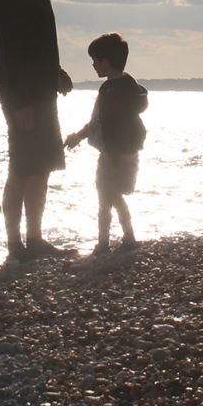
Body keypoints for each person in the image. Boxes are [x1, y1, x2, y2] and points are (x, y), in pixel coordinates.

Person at [0, 0, 75, 262]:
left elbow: (37, 45)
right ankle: (14, 245)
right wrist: (21, 102)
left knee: (42, 168)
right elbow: (12, 53)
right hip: (21, 98)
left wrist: (56, 73)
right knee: (22, 169)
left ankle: (35, 239)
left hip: (42, 95)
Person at [65, 33, 148, 256]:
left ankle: (116, 240)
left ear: (107, 61)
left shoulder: (121, 90)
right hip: (111, 152)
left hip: (120, 153)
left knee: (111, 195)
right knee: (107, 195)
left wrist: (116, 153)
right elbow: (97, 121)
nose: (93, 65)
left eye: (96, 60)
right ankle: (113, 240)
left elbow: (117, 125)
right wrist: (79, 136)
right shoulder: (108, 89)